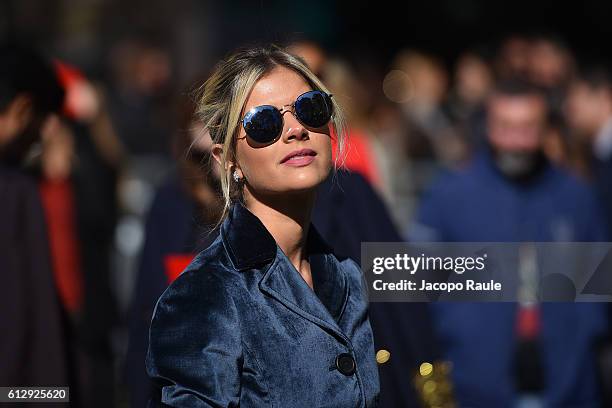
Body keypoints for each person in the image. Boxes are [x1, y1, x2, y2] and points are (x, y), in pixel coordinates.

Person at [145, 46, 380, 407]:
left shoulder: (347, 277)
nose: (296, 130)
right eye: (264, 122)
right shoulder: (204, 295)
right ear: (228, 161)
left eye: (310, 108)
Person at [408, 79, 609, 407]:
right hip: (474, 386)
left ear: (545, 129)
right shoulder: (450, 195)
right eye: (505, 126)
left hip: (569, 386)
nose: (515, 140)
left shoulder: (576, 197)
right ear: (488, 126)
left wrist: (580, 339)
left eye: (527, 127)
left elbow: (600, 295)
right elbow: (415, 288)